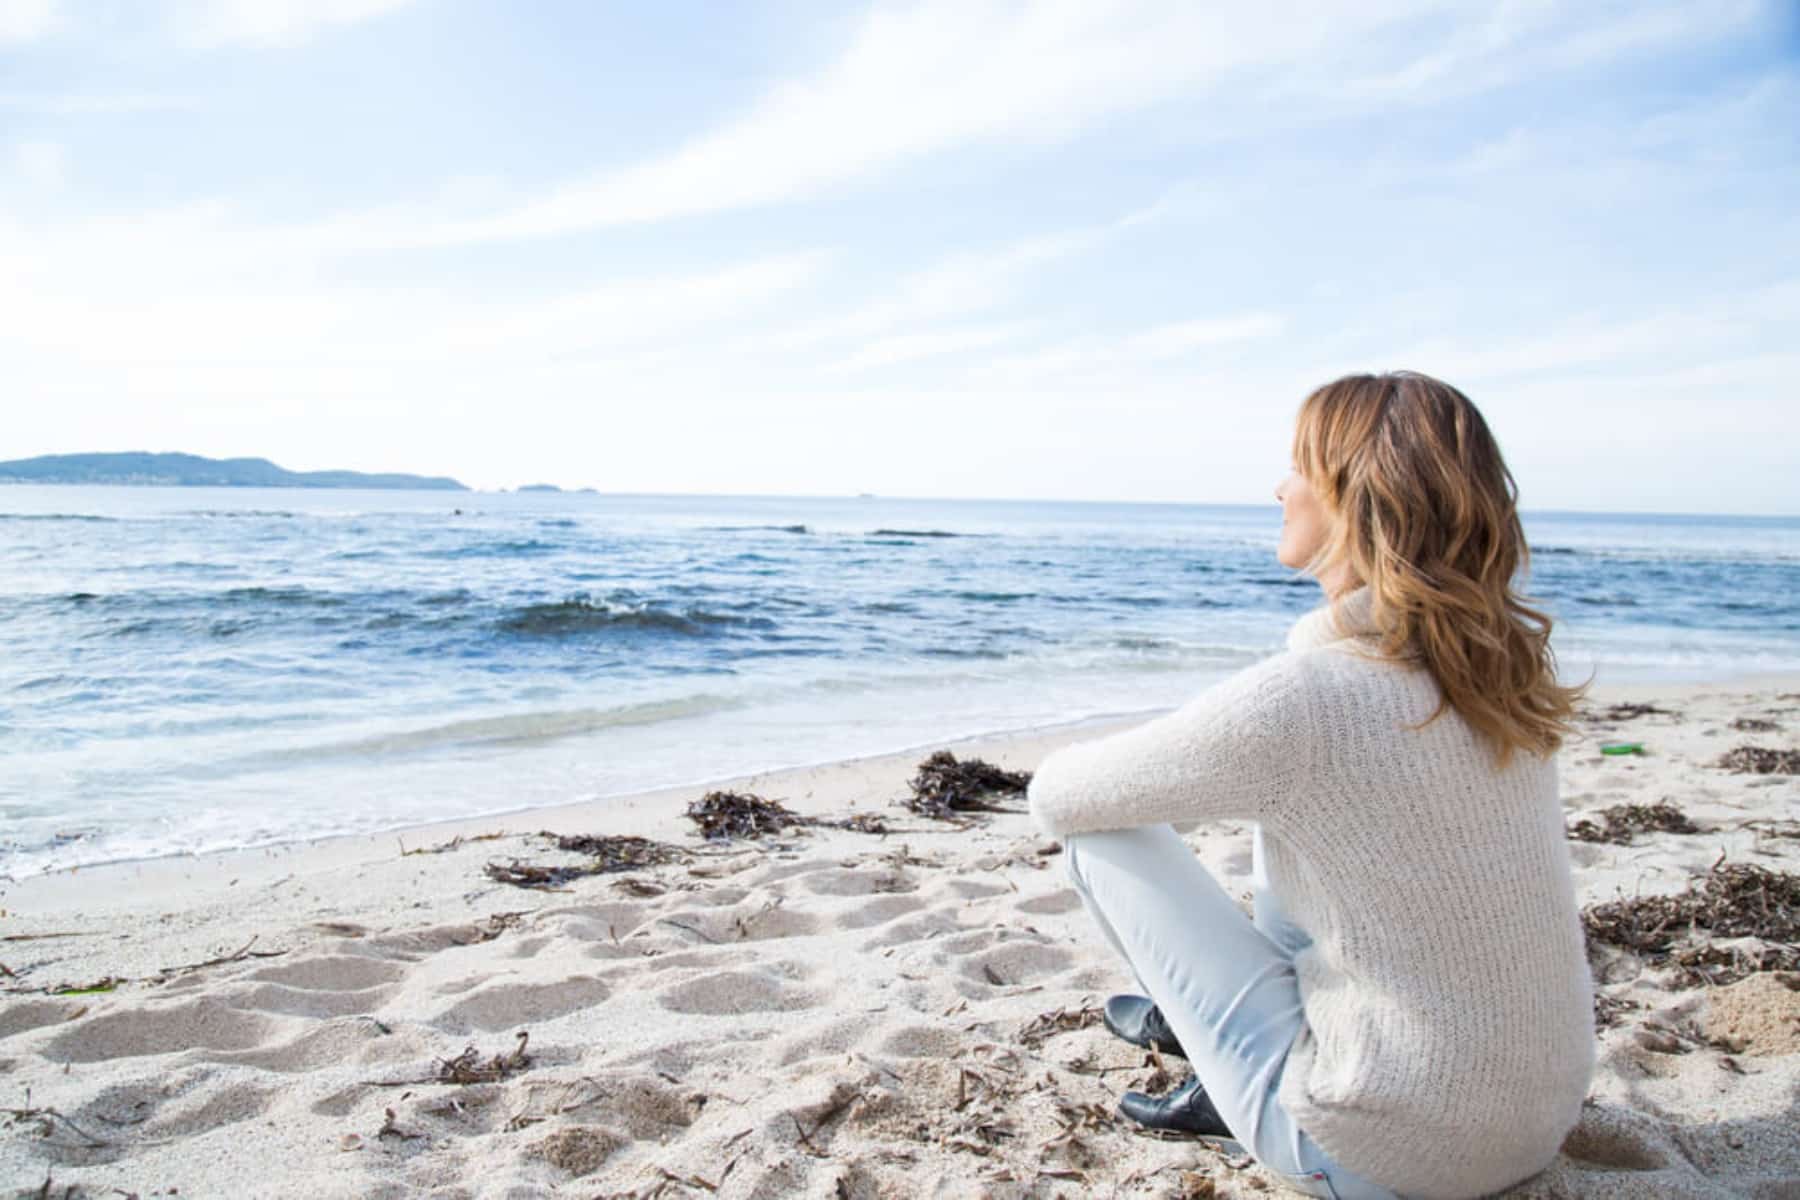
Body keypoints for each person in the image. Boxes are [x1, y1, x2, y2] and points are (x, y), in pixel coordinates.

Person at [1026, 371, 1595, 1200]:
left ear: (1352, 497)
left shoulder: (1309, 698)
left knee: (1104, 831)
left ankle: (1222, 1054)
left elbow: (1060, 795)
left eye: (1298, 466)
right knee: (1314, 822)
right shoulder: (1500, 675)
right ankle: (1217, 1027)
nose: (1280, 487)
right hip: (1534, 1129)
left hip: (1373, 1151)